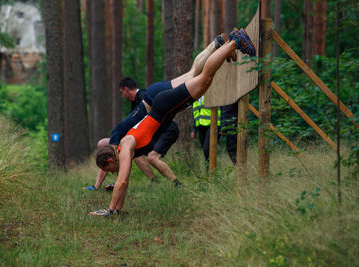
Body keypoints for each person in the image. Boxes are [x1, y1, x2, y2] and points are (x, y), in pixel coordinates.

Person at [91, 28, 255, 216]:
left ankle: (234, 42)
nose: (112, 173)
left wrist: (109, 211)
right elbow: (123, 182)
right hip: (165, 107)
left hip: (163, 106)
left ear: (110, 160)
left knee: (204, 78)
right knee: (200, 78)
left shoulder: (125, 147)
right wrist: (117, 210)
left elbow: (122, 181)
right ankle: (226, 44)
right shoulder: (124, 148)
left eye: (109, 170)